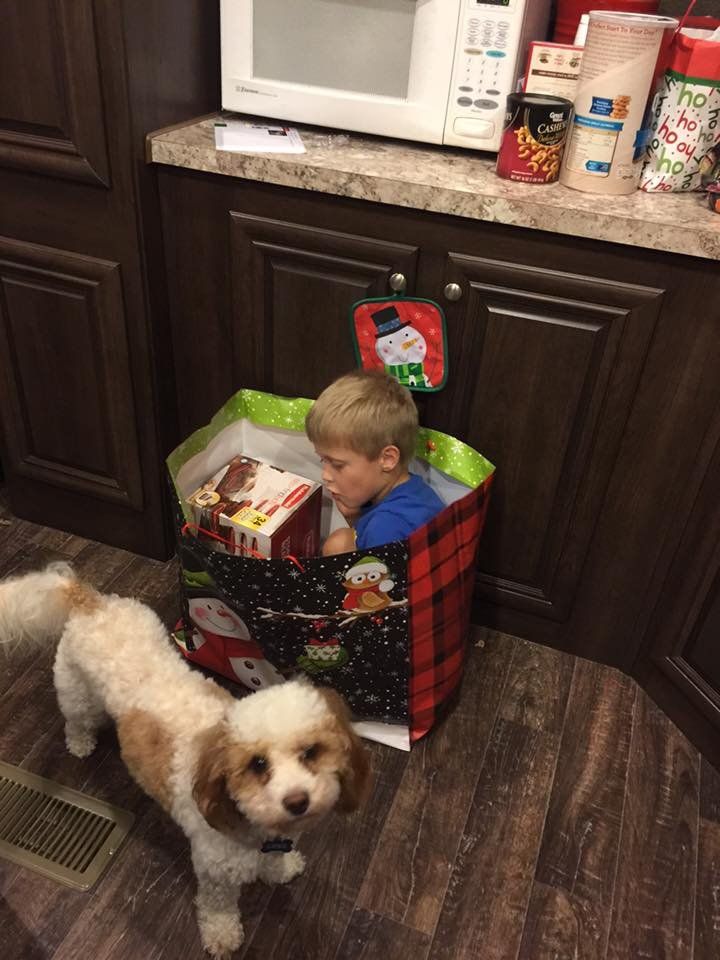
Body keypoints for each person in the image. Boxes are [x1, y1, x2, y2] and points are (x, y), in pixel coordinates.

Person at [305, 370, 445, 555]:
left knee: (335, 544)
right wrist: (354, 516)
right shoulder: (416, 490)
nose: (325, 475)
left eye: (337, 465)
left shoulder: (385, 529)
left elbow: (373, 582)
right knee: (338, 541)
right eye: (323, 460)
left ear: (387, 459)